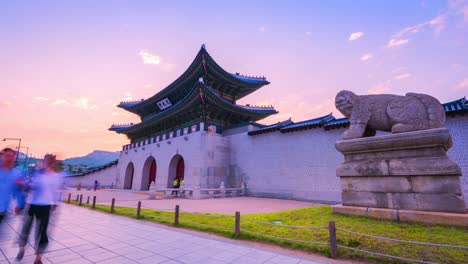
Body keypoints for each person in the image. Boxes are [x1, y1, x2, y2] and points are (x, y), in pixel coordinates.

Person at [17, 154, 63, 264]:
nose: (47, 163)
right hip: (32, 204)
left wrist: (55, 203)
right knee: (26, 228)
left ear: (53, 163)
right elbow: (29, 187)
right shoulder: (38, 174)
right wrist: (25, 185)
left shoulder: (55, 177)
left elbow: (56, 191)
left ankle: (38, 258)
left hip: (45, 206)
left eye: (50, 161)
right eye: (46, 161)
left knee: (42, 232)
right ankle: (22, 249)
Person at [0, 148, 25, 228]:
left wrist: (19, 205)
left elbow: (19, 191)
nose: (9, 158)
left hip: (5, 209)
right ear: (1, 157)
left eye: (11, 156)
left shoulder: (17, 173)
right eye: (7, 156)